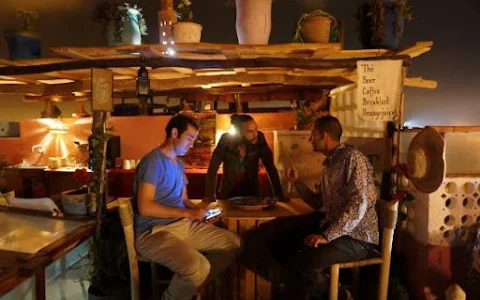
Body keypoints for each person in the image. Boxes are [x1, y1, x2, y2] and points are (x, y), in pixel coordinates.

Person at [243, 115, 379, 299]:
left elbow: (359, 204)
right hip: (331, 227)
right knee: (268, 237)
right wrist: (297, 182)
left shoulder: (352, 158)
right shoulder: (330, 164)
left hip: (357, 238)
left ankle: (339, 293)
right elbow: (319, 203)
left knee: (304, 263)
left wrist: (327, 236)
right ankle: (296, 285)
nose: (310, 139)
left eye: (312, 134)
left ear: (324, 135)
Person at [132, 114, 242, 300]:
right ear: (175, 133)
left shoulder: (179, 165)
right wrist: (188, 213)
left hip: (181, 226)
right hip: (154, 233)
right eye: (189, 138)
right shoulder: (153, 162)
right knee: (197, 266)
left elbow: (184, 200)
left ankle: (189, 289)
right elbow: (145, 207)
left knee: (232, 244)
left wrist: (201, 213)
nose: (192, 144)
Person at [203, 113, 287, 202]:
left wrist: (279, 194)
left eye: (256, 129)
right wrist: (209, 194)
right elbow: (212, 169)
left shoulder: (260, 139)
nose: (255, 134)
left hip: (252, 192)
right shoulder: (226, 140)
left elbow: (270, 168)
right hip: (228, 193)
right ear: (238, 132)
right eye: (250, 131)